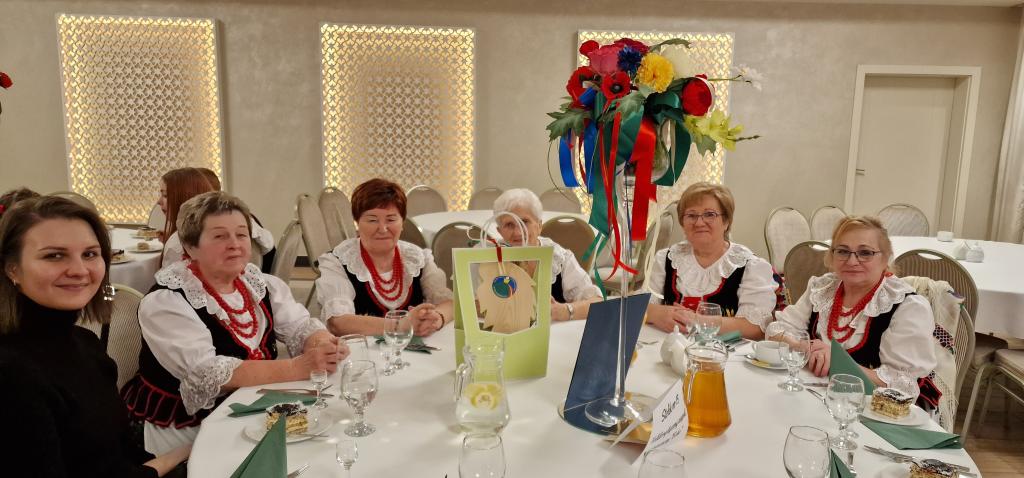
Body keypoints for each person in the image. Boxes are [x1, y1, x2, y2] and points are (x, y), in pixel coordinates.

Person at [122, 192, 345, 454]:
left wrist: (321, 343)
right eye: (220, 236)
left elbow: (301, 326)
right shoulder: (166, 302)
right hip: (188, 428)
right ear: (190, 247)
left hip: (254, 408)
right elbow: (209, 373)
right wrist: (298, 366)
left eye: (241, 234)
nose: (235, 244)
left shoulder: (257, 283)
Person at [0, 196, 190, 477]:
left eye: (90, 254)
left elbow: (118, 450)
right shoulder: (11, 372)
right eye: (54, 256)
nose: (79, 270)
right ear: (12, 268)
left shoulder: (85, 343)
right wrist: (177, 457)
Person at [775, 216, 938, 403]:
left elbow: (902, 386)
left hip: (879, 408)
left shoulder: (907, 307)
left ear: (885, 259)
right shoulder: (823, 288)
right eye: (843, 251)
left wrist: (837, 362)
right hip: (817, 396)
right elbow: (777, 331)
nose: (852, 261)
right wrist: (802, 347)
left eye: (865, 253)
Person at [317, 178, 454, 337]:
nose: (382, 229)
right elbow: (338, 322)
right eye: (372, 220)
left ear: (402, 223)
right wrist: (401, 325)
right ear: (357, 223)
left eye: (391, 219)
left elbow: (449, 303)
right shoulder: (338, 261)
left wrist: (437, 317)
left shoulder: (417, 257)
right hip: (361, 349)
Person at [646, 183, 782, 337]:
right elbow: (639, 307)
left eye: (709, 214)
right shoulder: (666, 258)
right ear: (682, 223)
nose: (699, 223)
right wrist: (655, 313)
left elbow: (755, 327)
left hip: (723, 351)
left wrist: (698, 321)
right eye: (691, 215)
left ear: (726, 221)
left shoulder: (749, 266)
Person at [492, 188, 601, 321]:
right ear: (499, 231)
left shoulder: (559, 258)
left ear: (539, 226)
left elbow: (596, 302)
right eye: (509, 224)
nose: (518, 232)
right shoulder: (486, 257)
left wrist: (565, 311)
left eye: (524, 222)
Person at [158, 168, 275, 271]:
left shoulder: (178, 244)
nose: (234, 244)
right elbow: (268, 245)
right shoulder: (242, 219)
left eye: (166, 195)